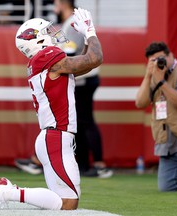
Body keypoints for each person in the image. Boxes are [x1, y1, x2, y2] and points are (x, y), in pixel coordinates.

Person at [0, 7, 103, 210]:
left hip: (53, 136)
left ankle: (9, 191)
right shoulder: (47, 56)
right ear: (36, 40)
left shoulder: (43, 61)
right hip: (56, 137)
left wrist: (86, 37)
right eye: (46, 32)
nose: (53, 35)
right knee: (67, 202)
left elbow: (85, 65)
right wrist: (90, 32)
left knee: (65, 202)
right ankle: (7, 191)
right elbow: (95, 59)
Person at [54, 0, 112, 178]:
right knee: (79, 122)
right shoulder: (69, 22)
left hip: (84, 78)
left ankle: (98, 164)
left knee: (85, 121)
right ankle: (85, 164)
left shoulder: (72, 23)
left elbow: (71, 52)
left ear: (63, 3)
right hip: (82, 77)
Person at [135, 42, 177, 192]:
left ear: (170, 55)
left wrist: (161, 82)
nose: (158, 63)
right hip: (166, 145)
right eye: (153, 60)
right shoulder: (155, 74)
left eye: (160, 58)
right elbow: (140, 102)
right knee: (167, 188)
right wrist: (148, 76)